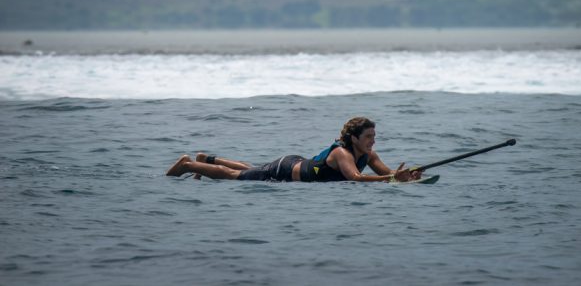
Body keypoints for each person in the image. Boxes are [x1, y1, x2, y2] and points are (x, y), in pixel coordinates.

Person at [166, 117, 422, 183]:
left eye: (374, 137)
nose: (373, 141)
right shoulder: (342, 154)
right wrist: (390, 179)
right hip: (285, 171)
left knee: (253, 169)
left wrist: (406, 177)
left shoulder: (369, 154)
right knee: (234, 177)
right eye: (368, 137)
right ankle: (187, 164)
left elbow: (388, 173)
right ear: (354, 138)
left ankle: (205, 159)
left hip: (295, 163)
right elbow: (356, 179)